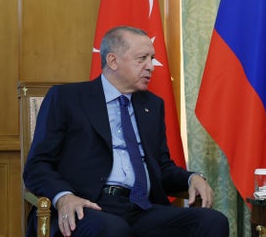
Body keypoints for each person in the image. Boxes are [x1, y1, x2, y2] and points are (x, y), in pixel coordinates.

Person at [24, 26, 229, 237]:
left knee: (212, 221)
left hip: (140, 208)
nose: (151, 66)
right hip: (88, 205)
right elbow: (37, 166)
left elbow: (162, 168)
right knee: (114, 229)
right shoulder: (67, 98)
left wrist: (192, 178)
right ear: (113, 61)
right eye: (142, 59)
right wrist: (64, 196)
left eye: (152, 58)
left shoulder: (152, 105)